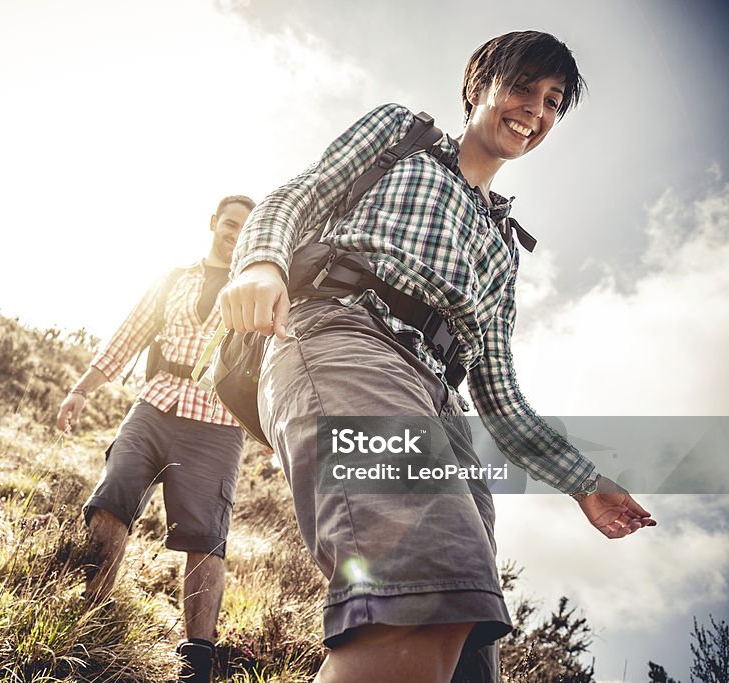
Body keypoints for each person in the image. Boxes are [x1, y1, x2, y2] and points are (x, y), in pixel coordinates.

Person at [217, 32, 656, 683]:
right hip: (345, 340)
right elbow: (296, 196)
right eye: (522, 86)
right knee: (423, 595)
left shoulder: (503, 251)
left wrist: (581, 477)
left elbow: (502, 398)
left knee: (467, 637)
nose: (534, 110)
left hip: (441, 408)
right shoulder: (404, 138)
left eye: (552, 101)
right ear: (478, 86)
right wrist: (260, 263)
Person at [57, 194, 255, 683]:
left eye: (244, 228)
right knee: (113, 497)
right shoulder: (172, 279)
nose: (234, 233)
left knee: (205, 537)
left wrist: (269, 424)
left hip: (217, 421)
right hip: (154, 406)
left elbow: (271, 362)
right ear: (213, 223)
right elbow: (126, 336)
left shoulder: (254, 288)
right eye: (229, 223)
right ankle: (90, 617)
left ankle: (197, 662)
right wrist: (81, 389)